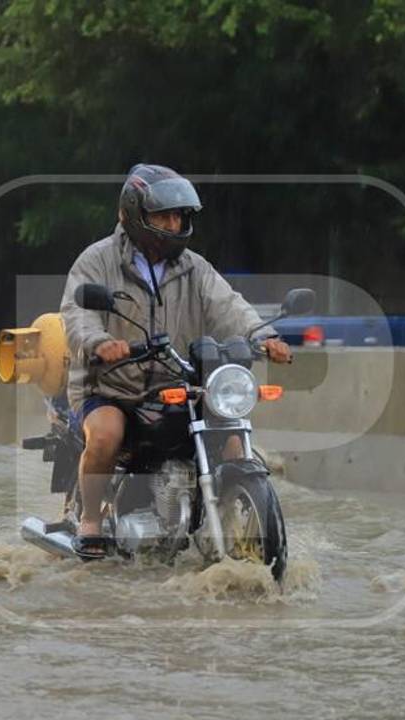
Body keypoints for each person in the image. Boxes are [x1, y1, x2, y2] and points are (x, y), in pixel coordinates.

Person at [59, 164, 292, 558]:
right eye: (163, 215)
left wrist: (262, 335)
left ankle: (232, 525)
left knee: (231, 437)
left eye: (179, 216)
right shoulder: (97, 260)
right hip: (111, 385)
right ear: (134, 215)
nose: (172, 223)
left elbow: (228, 305)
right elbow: (76, 311)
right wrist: (99, 342)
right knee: (106, 435)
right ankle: (92, 521)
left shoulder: (194, 268)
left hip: (176, 383)